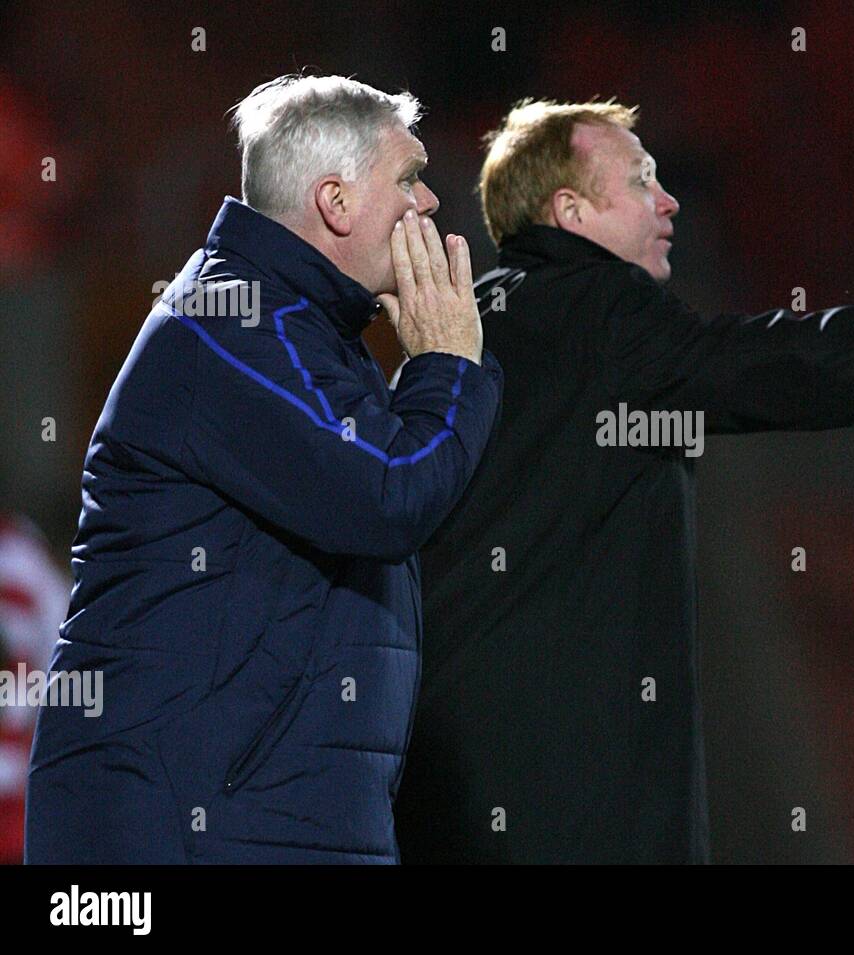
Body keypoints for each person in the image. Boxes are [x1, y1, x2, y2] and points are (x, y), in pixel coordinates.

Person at [393, 99, 854, 863]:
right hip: (565, 801)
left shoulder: (461, 327)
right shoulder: (603, 312)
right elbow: (799, 361)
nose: (669, 200)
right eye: (640, 180)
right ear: (571, 211)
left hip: (439, 774)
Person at [25, 74, 499, 863]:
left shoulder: (308, 335)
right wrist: (447, 364)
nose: (430, 205)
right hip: (174, 827)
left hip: (269, 819)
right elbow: (393, 492)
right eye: (410, 179)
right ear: (335, 201)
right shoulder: (230, 324)